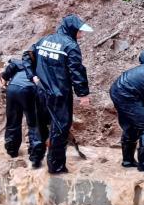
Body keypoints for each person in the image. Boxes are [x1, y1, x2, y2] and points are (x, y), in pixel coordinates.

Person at [23, 15, 92, 173]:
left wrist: (31, 75)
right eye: (80, 32)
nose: (82, 35)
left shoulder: (44, 40)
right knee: (60, 129)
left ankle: (35, 160)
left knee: (40, 125)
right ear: (72, 30)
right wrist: (83, 94)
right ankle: (56, 168)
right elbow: (77, 71)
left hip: (40, 91)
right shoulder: (70, 46)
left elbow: (26, 55)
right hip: (58, 95)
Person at [0, 57, 47, 163]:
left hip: (12, 89)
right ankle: (35, 157)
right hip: (29, 90)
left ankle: (12, 151)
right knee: (34, 124)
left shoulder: (20, 62)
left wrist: (4, 79)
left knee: (13, 122)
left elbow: (9, 68)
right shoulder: (44, 65)